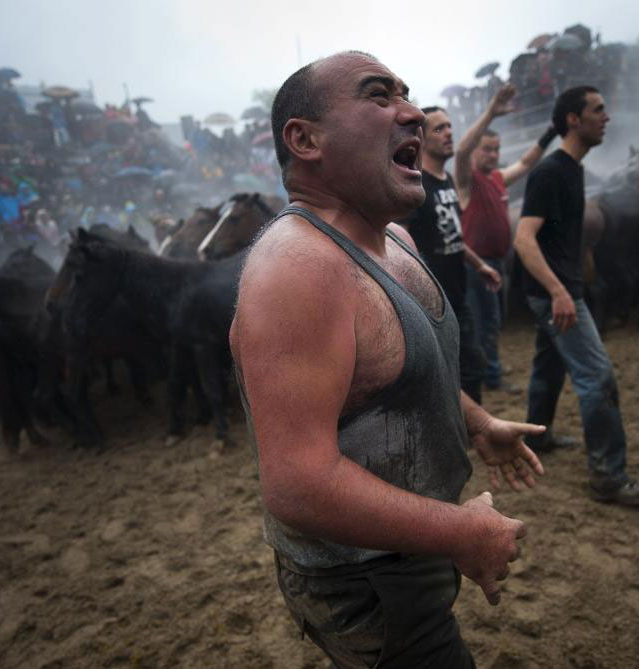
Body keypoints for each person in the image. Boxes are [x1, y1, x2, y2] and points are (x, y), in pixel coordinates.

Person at [229, 51, 547, 668]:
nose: (413, 115)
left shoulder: (393, 237)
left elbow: (397, 366)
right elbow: (297, 485)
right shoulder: (298, 268)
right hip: (363, 582)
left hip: (409, 548)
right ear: (306, 139)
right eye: (379, 97)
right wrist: (463, 531)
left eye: (409, 96)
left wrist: (480, 425)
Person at [514, 85, 639, 507]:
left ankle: (537, 435)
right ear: (574, 120)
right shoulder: (550, 172)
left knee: (549, 368)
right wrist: (560, 290)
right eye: (598, 110)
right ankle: (609, 478)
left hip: (560, 286)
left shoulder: (573, 170)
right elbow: (525, 239)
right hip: (554, 294)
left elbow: (562, 236)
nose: (607, 117)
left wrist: (581, 266)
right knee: (597, 378)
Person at [454, 83, 557, 395]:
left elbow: (526, 163)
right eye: (486, 149)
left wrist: (551, 133)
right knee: (482, 324)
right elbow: (460, 150)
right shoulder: (466, 180)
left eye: (496, 150)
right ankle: (487, 377)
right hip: (475, 264)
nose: (493, 155)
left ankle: (490, 373)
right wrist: (490, 114)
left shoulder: (497, 178)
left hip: (497, 262)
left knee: (493, 323)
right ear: (475, 153)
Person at [398, 105, 501, 404]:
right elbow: (403, 244)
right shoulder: (417, 186)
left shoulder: (447, 182)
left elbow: (451, 236)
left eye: (449, 127)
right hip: (430, 299)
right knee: (451, 372)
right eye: (439, 129)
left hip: (457, 293)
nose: (449, 134)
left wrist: (479, 264)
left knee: (471, 366)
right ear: (422, 138)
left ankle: (469, 435)